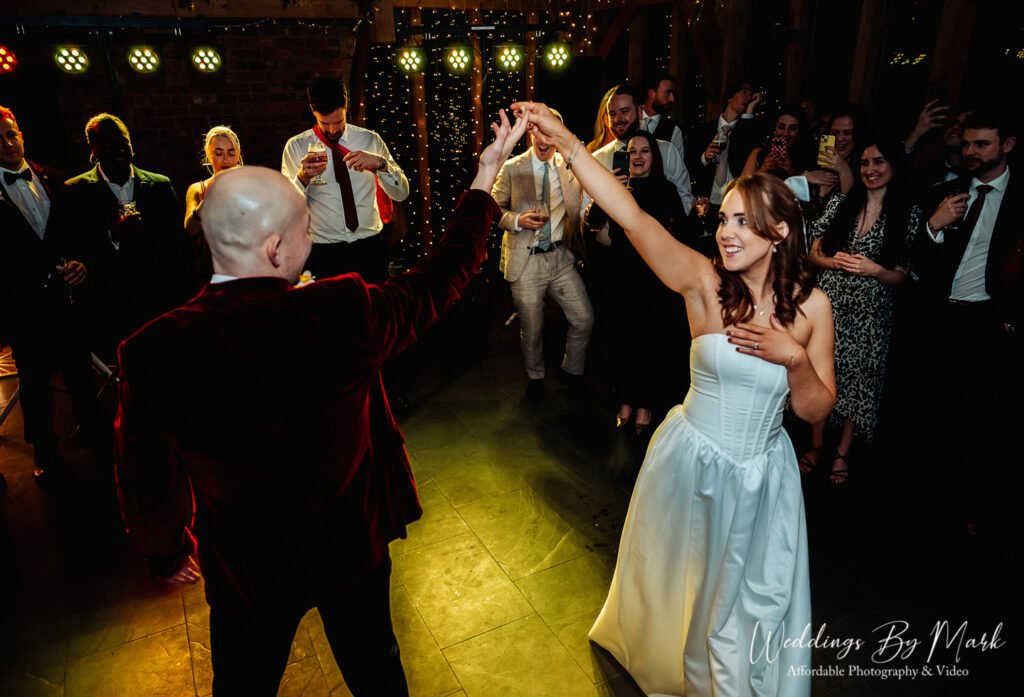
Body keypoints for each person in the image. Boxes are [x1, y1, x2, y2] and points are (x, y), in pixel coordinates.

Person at [114, 110, 527, 696]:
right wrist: (483, 180)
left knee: (242, 683)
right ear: (278, 248)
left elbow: (144, 469)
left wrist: (165, 548)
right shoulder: (341, 312)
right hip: (347, 551)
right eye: (307, 225)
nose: (313, 237)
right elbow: (439, 281)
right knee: (376, 674)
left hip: (246, 567)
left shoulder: (153, 350)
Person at [515, 101, 835, 697]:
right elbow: (632, 218)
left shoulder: (814, 308)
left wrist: (792, 358)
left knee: (748, 596)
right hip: (693, 463)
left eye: (743, 222)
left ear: (781, 232)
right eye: (725, 219)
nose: (726, 231)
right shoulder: (703, 282)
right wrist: (569, 144)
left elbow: (816, 411)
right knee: (683, 586)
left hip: (764, 476)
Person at [913, 109, 1021, 538]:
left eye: (983, 144)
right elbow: (916, 263)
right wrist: (933, 226)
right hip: (940, 320)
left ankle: (971, 511)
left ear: (1007, 145)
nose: (970, 152)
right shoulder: (947, 192)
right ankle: (927, 505)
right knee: (933, 413)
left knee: (980, 422)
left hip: (988, 325)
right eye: (968, 143)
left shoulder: (1018, 199)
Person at [806, 137, 920, 483]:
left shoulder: (907, 214)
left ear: (894, 166)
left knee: (859, 379)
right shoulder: (843, 201)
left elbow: (903, 277)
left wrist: (876, 271)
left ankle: (843, 450)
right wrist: (831, 261)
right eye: (865, 163)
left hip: (871, 310)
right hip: (831, 303)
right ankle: (815, 444)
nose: (871, 170)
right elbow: (812, 249)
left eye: (879, 162)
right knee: (822, 371)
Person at [0, 105, 97, 481]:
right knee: (34, 380)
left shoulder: (56, 179)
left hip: (66, 296)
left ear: (22, 133)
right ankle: (44, 450)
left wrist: (82, 263)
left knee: (79, 370)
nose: (8, 144)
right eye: (0, 139)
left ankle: (93, 431)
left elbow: (79, 235)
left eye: (12, 134)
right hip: (22, 304)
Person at [60, 113, 195, 359]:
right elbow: (74, 246)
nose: (120, 150)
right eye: (109, 145)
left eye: (124, 142)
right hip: (111, 301)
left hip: (159, 298)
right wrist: (112, 235)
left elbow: (178, 247)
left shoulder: (160, 185)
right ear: (94, 150)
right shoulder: (76, 191)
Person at [584, 130, 689, 434]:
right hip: (620, 277)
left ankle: (645, 405)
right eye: (632, 152)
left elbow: (680, 231)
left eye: (644, 151)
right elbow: (592, 222)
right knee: (622, 342)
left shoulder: (666, 190)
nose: (638, 157)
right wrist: (610, 191)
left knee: (649, 344)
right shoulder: (617, 188)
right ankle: (625, 402)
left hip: (653, 279)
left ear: (654, 157)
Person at [491, 108, 592, 396]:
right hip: (526, 261)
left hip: (561, 258)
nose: (543, 139)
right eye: (538, 131)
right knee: (532, 329)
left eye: (550, 132)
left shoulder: (571, 167)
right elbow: (492, 208)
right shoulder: (512, 167)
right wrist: (516, 220)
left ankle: (571, 371)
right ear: (531, 132)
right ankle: (535, 377)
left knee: (584, 318)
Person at [282, 75, 409, 283]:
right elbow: (285, 211)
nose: (332, 130)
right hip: (323, 253)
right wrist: (303, 178)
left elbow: (402, 193)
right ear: (313, 111)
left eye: (339, 122)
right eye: (324, 123)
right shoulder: (296, 147)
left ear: (346, 107)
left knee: (373, 311)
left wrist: (381, 165)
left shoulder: (370, 140)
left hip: (370, 247)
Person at [184, 125, 243, 276]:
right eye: (218, 153)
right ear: (208, 155)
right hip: (212, 268)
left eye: (231, 153)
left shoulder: (250, 186)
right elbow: (190, 229)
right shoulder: (198, 188)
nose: (225, 159)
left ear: (238, 155)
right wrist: (211, 195)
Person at [739, 103, 816, 181]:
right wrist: (763, 169)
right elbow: (742, 186)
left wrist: (793, 172)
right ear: (775, 128)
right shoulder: (758, 153)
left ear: (800, 130)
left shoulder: (808, 155)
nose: (785, 133)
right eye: (781, 127)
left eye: (793, 128)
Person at [640, 71, 685, 163]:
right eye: (667, 93)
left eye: (673, 93)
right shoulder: (630, 119)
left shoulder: (674, 131)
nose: (672, 99)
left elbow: (677, 168)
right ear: (652, 93)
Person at [586, 86, 617, 154]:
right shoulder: (592, 148)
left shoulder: (630, 145)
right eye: (611, 112)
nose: (616, 118)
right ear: (603, 114)